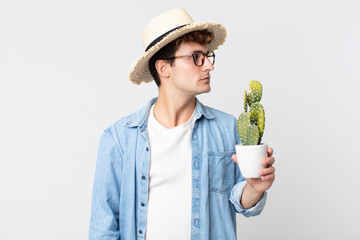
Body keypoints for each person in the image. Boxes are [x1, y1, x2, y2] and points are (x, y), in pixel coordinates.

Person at [89, 8, 275, 240]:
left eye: (208, 56)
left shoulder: (227, 128)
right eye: (196, 57)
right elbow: (103, 228)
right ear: (163, 67)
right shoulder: (119, 139)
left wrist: (255, 189)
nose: (209, 65)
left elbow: (241, 201)